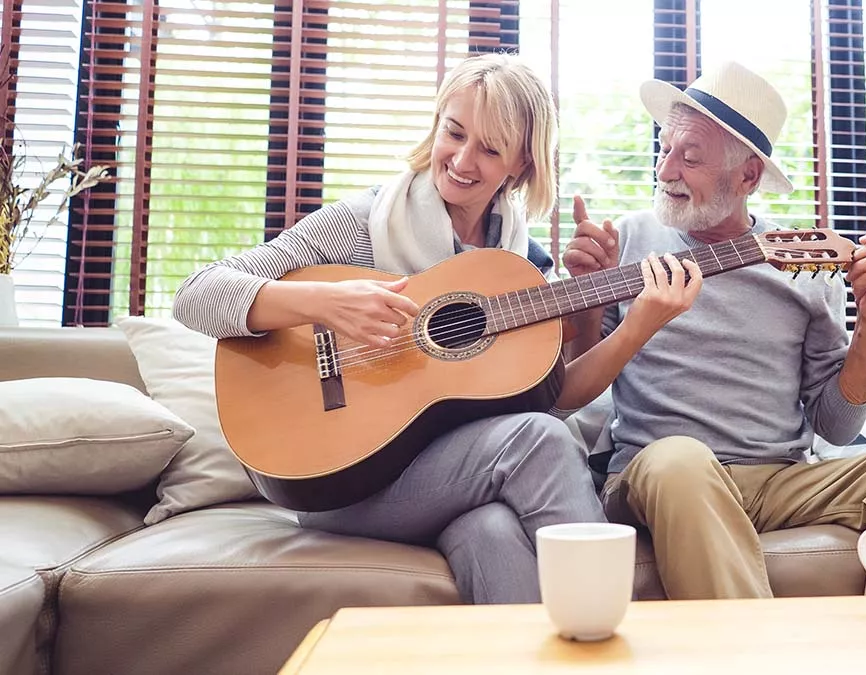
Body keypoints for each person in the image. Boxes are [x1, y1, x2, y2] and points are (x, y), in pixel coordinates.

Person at [172, 53, 699, 604]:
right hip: (340, 480)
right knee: (537, 441)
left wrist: (626, 320)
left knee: (490, 529)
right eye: (455, 132)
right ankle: (617, 630)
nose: (463, 160)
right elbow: (195, 295)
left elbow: (556, 398)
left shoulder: (518, 264)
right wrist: (326, 303)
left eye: (490, 149)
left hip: (450, 479)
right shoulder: (362, 225)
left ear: (521, 163)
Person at [562, 61, 866, 600]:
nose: (666, 170)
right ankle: (756, 643)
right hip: (660, 473)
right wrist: (587, 300)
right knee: (680, 460)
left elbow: (837, 426)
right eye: (664, 149)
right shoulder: (623, 240)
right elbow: (574, 391)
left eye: (690, 157)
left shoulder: (804, 264)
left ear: (747, 177)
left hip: (781, 479)